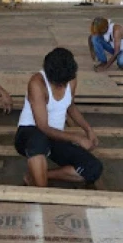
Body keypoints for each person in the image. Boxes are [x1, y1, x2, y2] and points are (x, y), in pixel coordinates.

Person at [15, 47, 102, 188]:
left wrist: (88, 129)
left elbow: (70, 106)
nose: (63, 86)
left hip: (56, 136)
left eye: (65, 82)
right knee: (38, 141)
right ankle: (42, 194)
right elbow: (43, 127)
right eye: (59, 83)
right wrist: (77, 138)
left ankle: (39, 176)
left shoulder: (70, 79)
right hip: (30, 133)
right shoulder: (37, 83)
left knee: (93, 168)